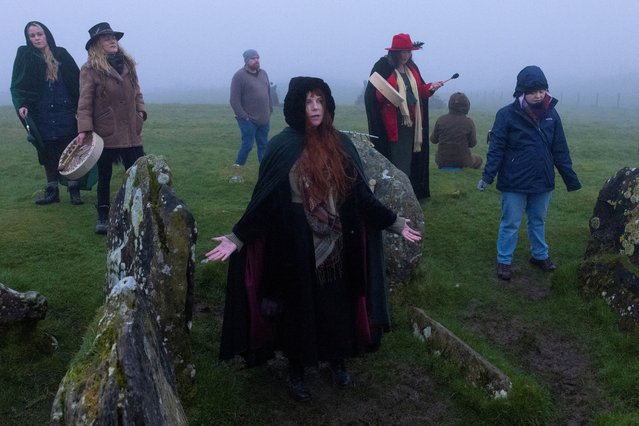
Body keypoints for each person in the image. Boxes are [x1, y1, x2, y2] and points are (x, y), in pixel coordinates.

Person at [206, 77, 422, 402]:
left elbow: (360, 195)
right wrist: (237, 238)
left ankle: (337, 361)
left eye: (320, 101)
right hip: (294, 244)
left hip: (336, 241)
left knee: (336, 304)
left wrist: (394, 222)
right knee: (298, 308)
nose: (315, 108)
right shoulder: (283, 147)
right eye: (308, 102)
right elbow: (265, 203)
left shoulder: (340, 144)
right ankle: (297, 369)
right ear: (297, 106)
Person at [477, 65, 581, 281]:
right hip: (514, 181)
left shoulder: (552, 114)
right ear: (522, 91)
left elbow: (560, 148)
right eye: (533, 91)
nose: (538, 95)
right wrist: (487, 176)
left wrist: (570, 178)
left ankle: (540, 255)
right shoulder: (506, 115)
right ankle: (504, 261)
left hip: (542, 179)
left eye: (542, 90)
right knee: (511, 222)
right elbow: (496, 148)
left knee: (538, 220)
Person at [76, 22, 147, 234]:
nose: (112, 40)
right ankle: (103, 216)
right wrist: (84, 130)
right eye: (106, 38)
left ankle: (139, 212)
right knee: (105, 176)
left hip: (131, 131)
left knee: (137, 172)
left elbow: (137, 91)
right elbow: (84, 102)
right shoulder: (90, 69)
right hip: (106, 131)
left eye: (113, 37)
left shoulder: (128, 64)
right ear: (96, 45)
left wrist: (141, 111)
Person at [10, 21, 84, 205]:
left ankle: (74, 189)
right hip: (41, 112)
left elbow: (77, 81)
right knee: (48, 150)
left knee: (70, 149)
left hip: (65, 109)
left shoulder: (62, 54)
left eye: (39, 34)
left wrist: (79, 107)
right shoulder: (25, 55)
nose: (36, 38)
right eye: (32, 36)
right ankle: (52, 191)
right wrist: (22, 104)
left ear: (47, 34)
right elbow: (18, 85)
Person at [364, 33, 444, 199]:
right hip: (393, 123)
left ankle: (407, 192)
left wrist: (431, 88)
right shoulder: (383, 67)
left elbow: (420, 92)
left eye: (408, 51)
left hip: (413, 123)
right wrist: (386, 95)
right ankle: (395, 192)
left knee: (410, 158)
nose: (406, 55)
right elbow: (374, 95)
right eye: (402, 52)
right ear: (395, 52)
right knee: (398, 158)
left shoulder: (412, 70)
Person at [229, 49, 273, 168]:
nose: (256, 60)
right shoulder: (239, 76)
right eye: (253, 58)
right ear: (247, 60)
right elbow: (234, 100)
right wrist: (244, 117)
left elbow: (268, 92)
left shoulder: (263, 73)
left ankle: (265, 170)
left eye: (257, 58)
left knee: (263, 145)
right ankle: (238, 169)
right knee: (247, 145)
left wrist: (270, 109)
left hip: (264, 119)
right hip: (248, 120)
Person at [430, 92, 482, 169]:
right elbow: (472, 144)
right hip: (463, 161)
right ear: (466, 106)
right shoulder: (468, 122)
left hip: (442, 161)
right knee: (479, 159)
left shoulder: (441, 119)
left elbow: (433, 140)